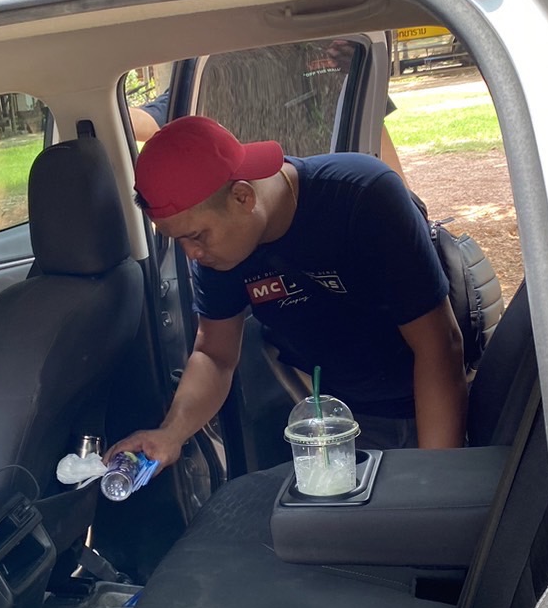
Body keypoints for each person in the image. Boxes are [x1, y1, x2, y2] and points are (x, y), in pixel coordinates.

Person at [109, 115, 465, 468]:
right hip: (335, 418)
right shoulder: (218, 254)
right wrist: (171, 434)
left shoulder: (362, 197)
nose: (191, 254)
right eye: (179, 241)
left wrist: (436, 475)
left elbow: (438, 344)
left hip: (426, 405)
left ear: (243, 197)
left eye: (196, 236)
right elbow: (215, 355)